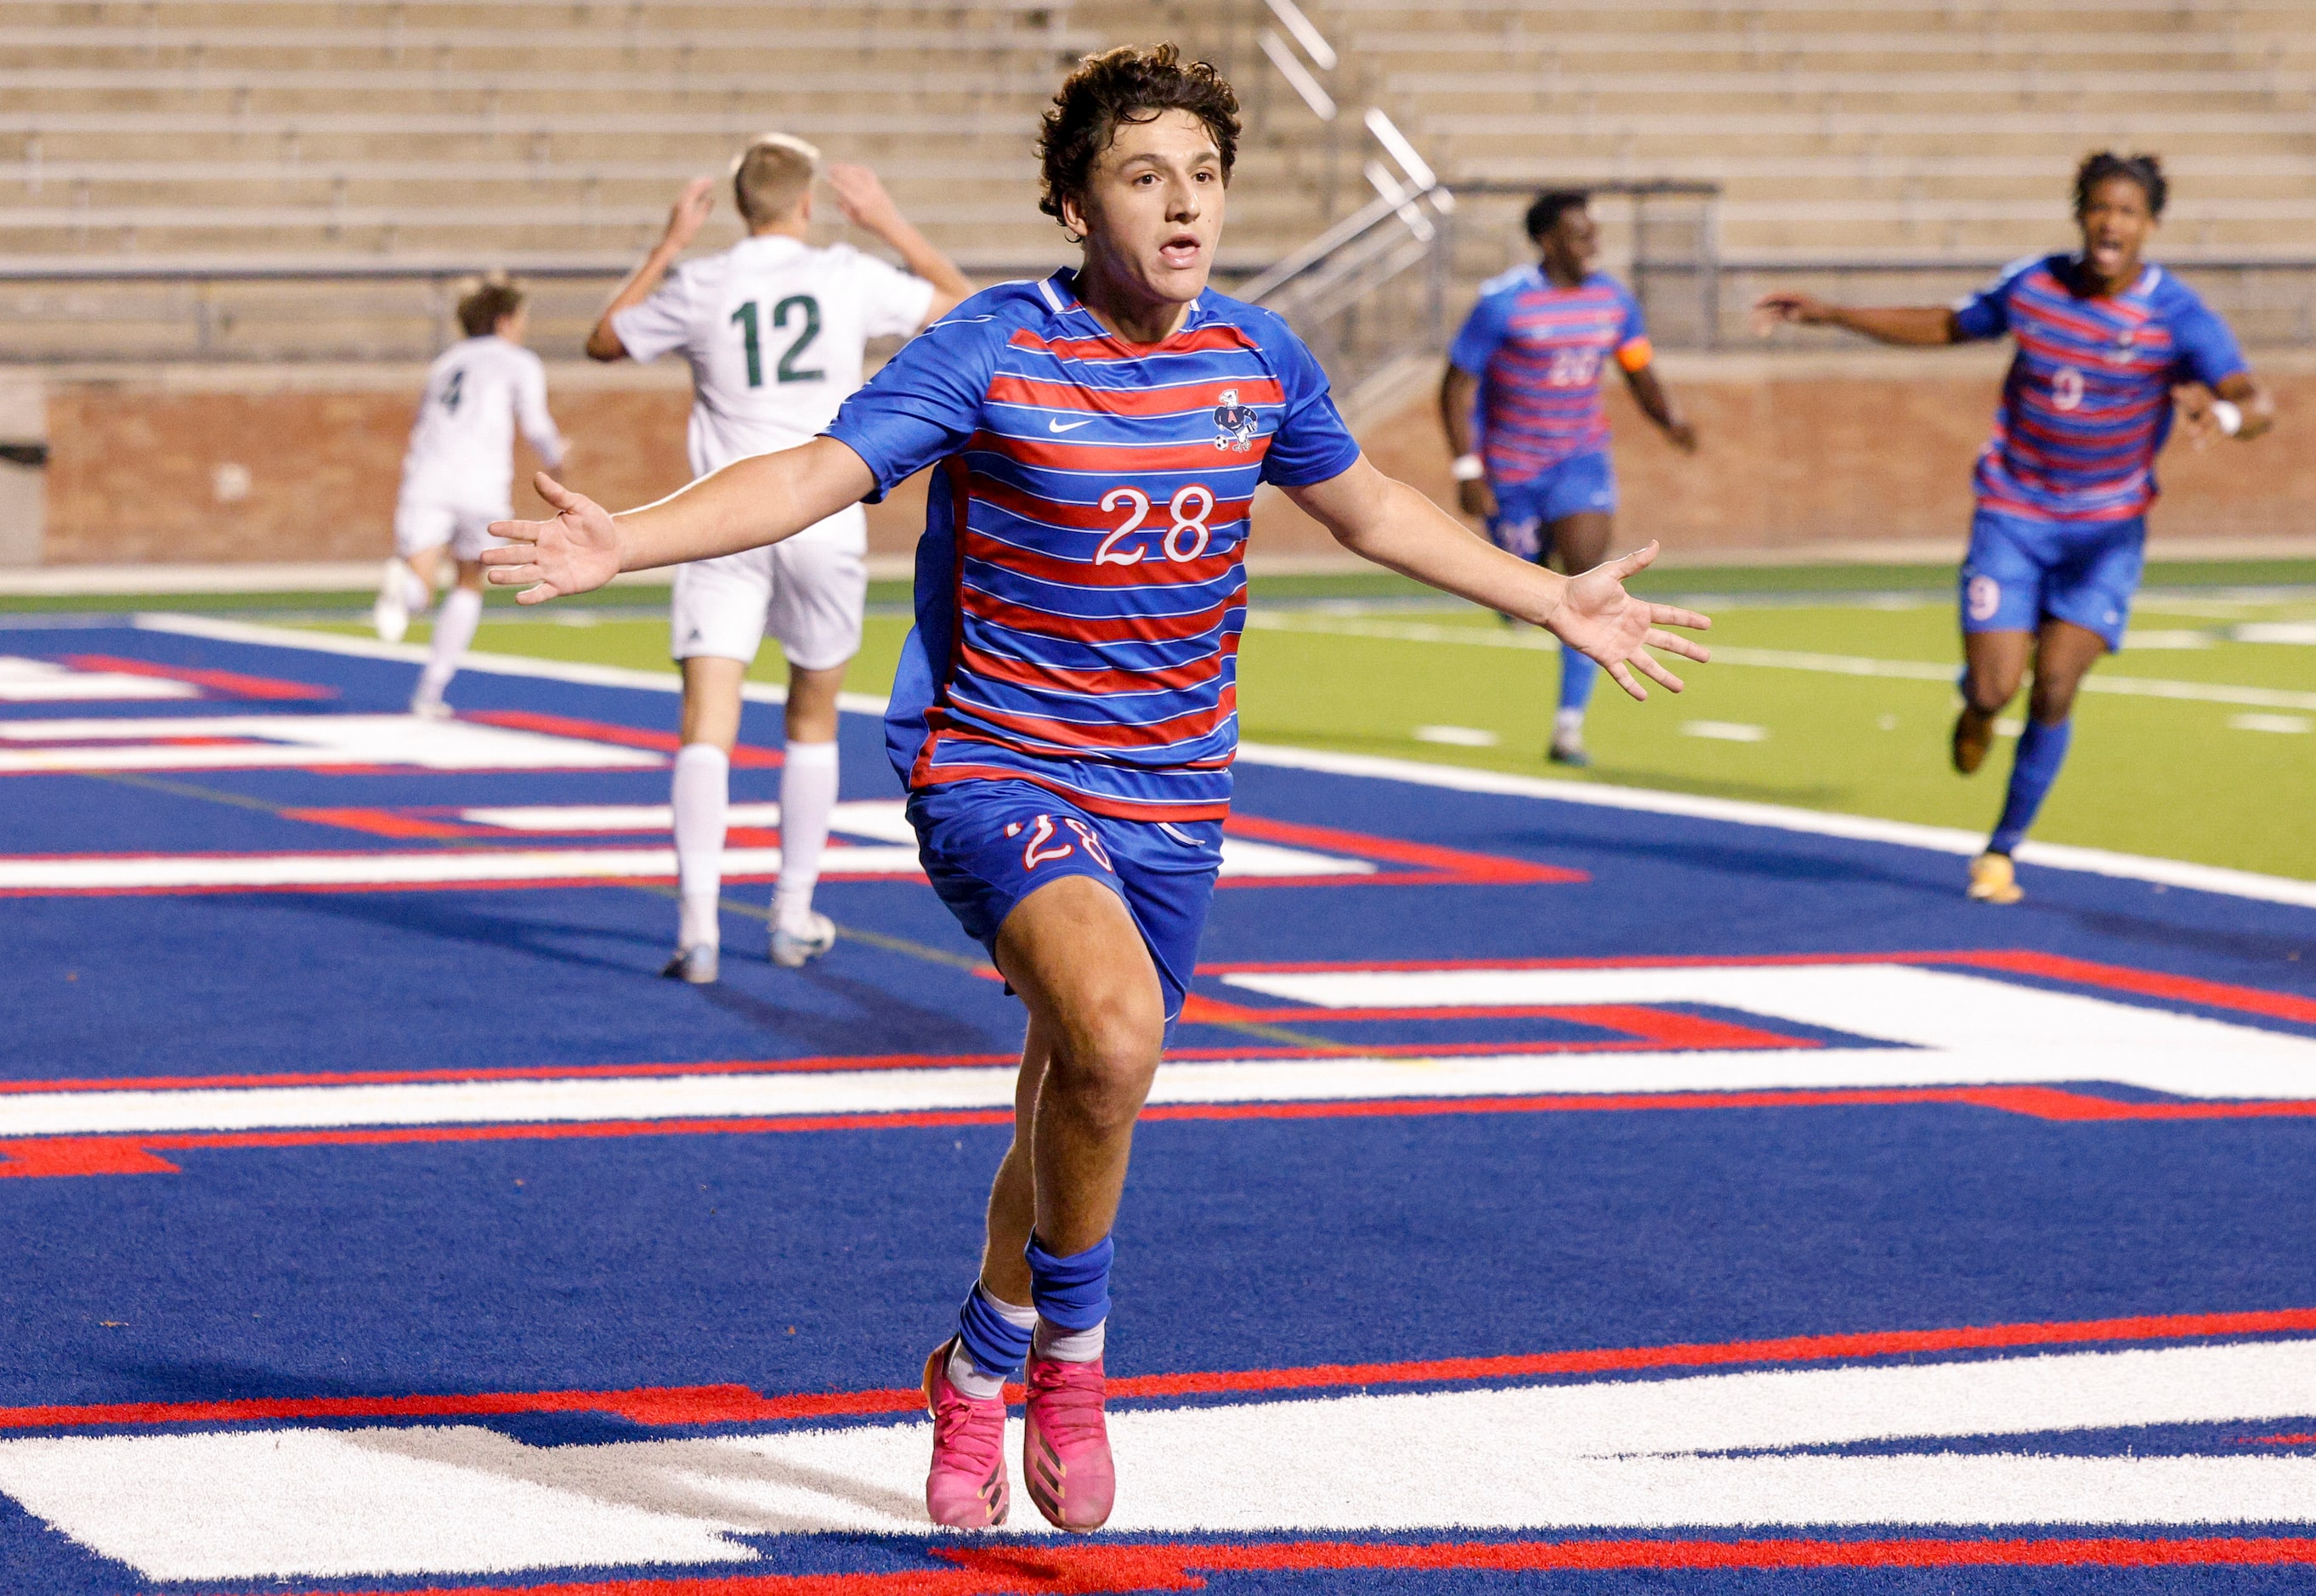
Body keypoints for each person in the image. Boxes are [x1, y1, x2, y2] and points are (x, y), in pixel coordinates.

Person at [485, 44, 1708, 1532]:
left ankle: (977, 1354)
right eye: (1143, 175)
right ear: (1073, 202)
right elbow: (819, 472)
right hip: (992, 756)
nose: (1181, 202)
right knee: (1118, 1034)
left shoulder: (1258, 358)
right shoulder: (991, 345)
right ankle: (1074, 1358)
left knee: (1078, 1085)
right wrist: (635, 536)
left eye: (1201, 174)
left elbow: (1372, 502)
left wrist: (1547, 596)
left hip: (1176, 786)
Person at [1755, 152, 2273, 904]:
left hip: (2105, 533)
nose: (2111, 224)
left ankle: (2001, 849)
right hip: (2014, 516)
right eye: (2100, 207)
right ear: (2080, 213)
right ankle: (1976, 707)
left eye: (2128, 213)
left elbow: (2257, 403)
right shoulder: (2034, 284)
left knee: (2057, 685)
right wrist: (1834, 313)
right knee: (1998, 687)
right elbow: (1947, 323)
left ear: (2150, 226)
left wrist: (2221, 413)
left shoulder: (2178, 315)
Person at [586, 135, 972, 981]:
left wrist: (665, 246)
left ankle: (696, 930)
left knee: (706, 726)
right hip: (824, 512)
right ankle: (791, 913)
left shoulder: (702, 282)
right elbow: (962, 306)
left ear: (735, 206)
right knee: (811, 717)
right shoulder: (845, 273)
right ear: (807, 203)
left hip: (721, 516)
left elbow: (605, 341)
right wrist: (887, 221)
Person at [1440, 191, 1698, 767]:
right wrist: (1468, 468)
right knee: (1520, 591)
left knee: (1589, 584)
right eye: (1580, 236)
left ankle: (1568, 727)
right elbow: (1455, 388)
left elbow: (1638, 369)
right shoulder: (1503, 303)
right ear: (1548, 241)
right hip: (1512, 469)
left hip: (1581, 463)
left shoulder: (1613, 301)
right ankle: (1513, 584)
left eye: (1594, 234)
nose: (1593, 246)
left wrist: (1670, 421)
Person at [374, 274, 569, 717]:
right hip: (481, 485)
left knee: (421, 583)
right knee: (468, 582)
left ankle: (402, 592)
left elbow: (422, 421)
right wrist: (558, 460)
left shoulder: (445, 363)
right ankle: (430, 690)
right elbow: (536, 424)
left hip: (429, 477)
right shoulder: (517, 361)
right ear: (504, 321)